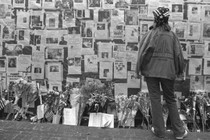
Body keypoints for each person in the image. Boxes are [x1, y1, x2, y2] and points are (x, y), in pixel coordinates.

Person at [135, 7, 188, 139]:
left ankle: (159, 131)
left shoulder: (150, 34)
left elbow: (142, 54)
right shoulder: (172, 36)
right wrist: (180, 71)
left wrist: (140, 69)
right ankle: (179, 132)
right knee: (170, 99)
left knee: (155, 99)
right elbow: (179, 56)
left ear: (155, 19)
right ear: (167, 19)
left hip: (151, 72)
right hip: (168, 72)